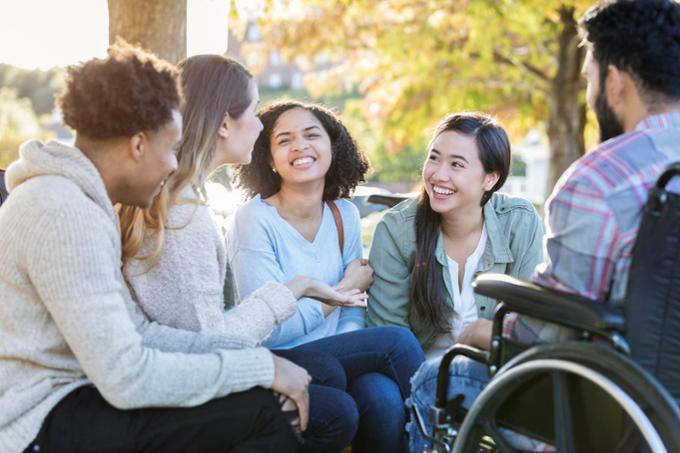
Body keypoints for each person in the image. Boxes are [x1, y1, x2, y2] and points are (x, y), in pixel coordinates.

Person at [0, 42, 304, 453]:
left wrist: (257, 363)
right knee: (262, 411)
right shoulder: (62, 211)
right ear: (138, 145)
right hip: (37, 422)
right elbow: (126, 377)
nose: (174, 165)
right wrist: (258, 368)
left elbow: (138, 333)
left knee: (257, 401)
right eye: (169, 147)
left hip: (73, 399)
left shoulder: (78, 201)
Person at [408, 0, 680, 450]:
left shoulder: (601, 180)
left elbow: (548, 337)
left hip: (614, 410)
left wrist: (489, 330)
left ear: (614, 82)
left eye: (589, 79)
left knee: (432, 377)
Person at [120, 59, 424, 452]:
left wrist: (313, 294)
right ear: (225, 124)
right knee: (368, 369)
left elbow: (201, 331)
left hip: (198, 363)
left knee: (363, 390)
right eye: (255, 111)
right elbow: (209, 341)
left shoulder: (188, 203)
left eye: (312, 135)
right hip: (189, 375)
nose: (262, 126)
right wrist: (320, 291)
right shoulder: (188, 216)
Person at [231, 100, 425, 452]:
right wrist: (340, 291)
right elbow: (270, 328)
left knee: (382, 399)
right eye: (284, 140)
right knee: (397, 342)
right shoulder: (254, 220)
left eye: (311, 135)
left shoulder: (344, 215)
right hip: (280, 357)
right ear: (270, 159)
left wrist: (344, 325)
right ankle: (442, 440)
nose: (300, 146)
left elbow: (353, 310)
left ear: (332, 148)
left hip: (337, 355)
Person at [366, 112, 544, 359]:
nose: (438, 175)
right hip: (412, 372)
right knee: (376, 392)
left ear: (490, 179)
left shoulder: (520, 222)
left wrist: (484, 332)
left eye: (457, 164)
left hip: (490, 371)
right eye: (434, 158)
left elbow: (529, 326)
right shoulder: (396, 230)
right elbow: (388, 334)